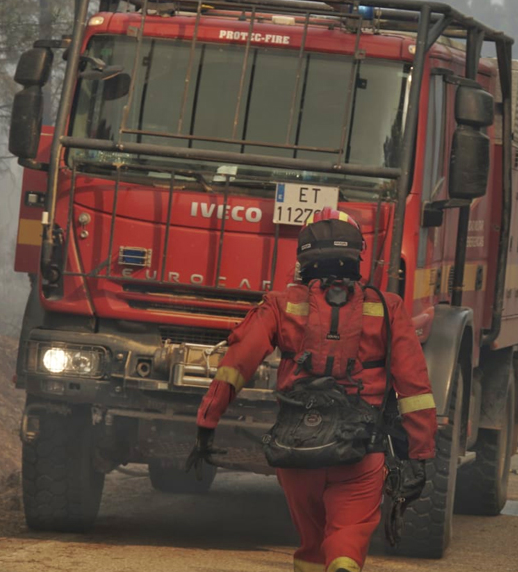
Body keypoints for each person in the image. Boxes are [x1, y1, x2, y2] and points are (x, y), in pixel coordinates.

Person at [186, 207, 437, 572]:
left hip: (297, 452)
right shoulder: (387, 308)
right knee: (347, 538)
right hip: (361, 455)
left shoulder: (280, 304)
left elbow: (236, 367)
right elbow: (414, 388)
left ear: (303, 256)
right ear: (357, 253)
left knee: (312, 546)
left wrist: (206, 424)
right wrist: (419, 456)